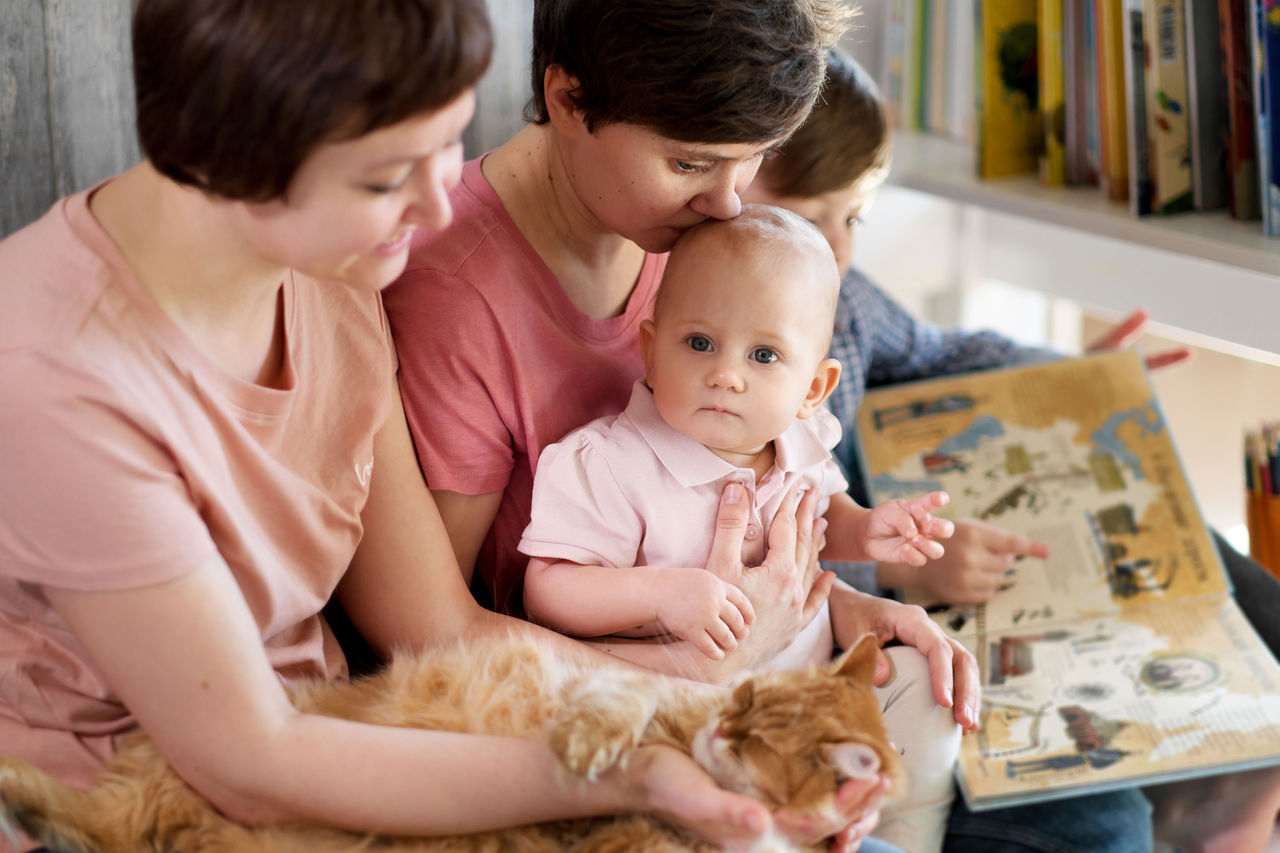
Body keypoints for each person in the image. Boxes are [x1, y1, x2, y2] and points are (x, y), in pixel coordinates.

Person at [0, 2, 852, 851]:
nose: (442, 203)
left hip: (351, 739)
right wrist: (641, 756)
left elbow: (414, 634)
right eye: (386, 178)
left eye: (446, 145)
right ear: (241, 156)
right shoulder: (56, 373)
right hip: (126, 809)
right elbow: (248, 763)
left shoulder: (329, 267)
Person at [384, 3, 981, 850]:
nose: (729, 201)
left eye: (754, 162)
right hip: (605, 721)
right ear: (566, 99)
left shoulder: (697, 230)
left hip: (759, 672)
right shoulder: (455, 296)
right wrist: (698, 674)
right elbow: (434, 629)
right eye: (691, 162)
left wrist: (844, 605)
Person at [737, 46, 1280, 853]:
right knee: (1106, 822)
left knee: (1252, 602)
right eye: (813, 214)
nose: (839, 249)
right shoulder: (717, 361)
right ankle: (1205, 813)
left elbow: (941, 351)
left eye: (853, 217)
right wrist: (894, 570)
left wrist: (1078, 378)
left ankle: (1238, 799)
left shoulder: (842, 301)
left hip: (926, 555)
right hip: (854, 634)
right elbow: (744, 545)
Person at [519, 205, 965, 853]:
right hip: (691, 718)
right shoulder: (612, 463)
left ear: (814, 387)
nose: (726, 373)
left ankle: (893, 827)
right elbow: (548, 589)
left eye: (763, 354)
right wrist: (662, 593)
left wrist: (868, 531)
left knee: (925, 689)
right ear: (650, 347)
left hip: (810, 699)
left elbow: (822, 523)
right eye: (699, 343)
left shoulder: (802, 439)